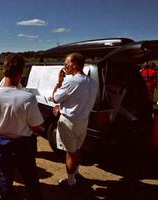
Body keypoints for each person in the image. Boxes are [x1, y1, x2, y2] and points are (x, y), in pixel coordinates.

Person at [0, 54, 44, 200]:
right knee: (30, 176)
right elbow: (36, 126)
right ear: (21, 73)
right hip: (22, 143)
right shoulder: (27, 97)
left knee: (5, 176)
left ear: (4, 71)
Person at [52, 52, 98, 188]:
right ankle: (76, 174)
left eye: (66, 64)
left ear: (74, 64)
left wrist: (60, 81)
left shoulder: (71, 81)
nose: (64, 67)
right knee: (77, 149)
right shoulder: (92, 82)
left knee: (70, 153)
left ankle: (71, 183)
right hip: (83, 120)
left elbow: (55, 97)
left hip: (69, 121)